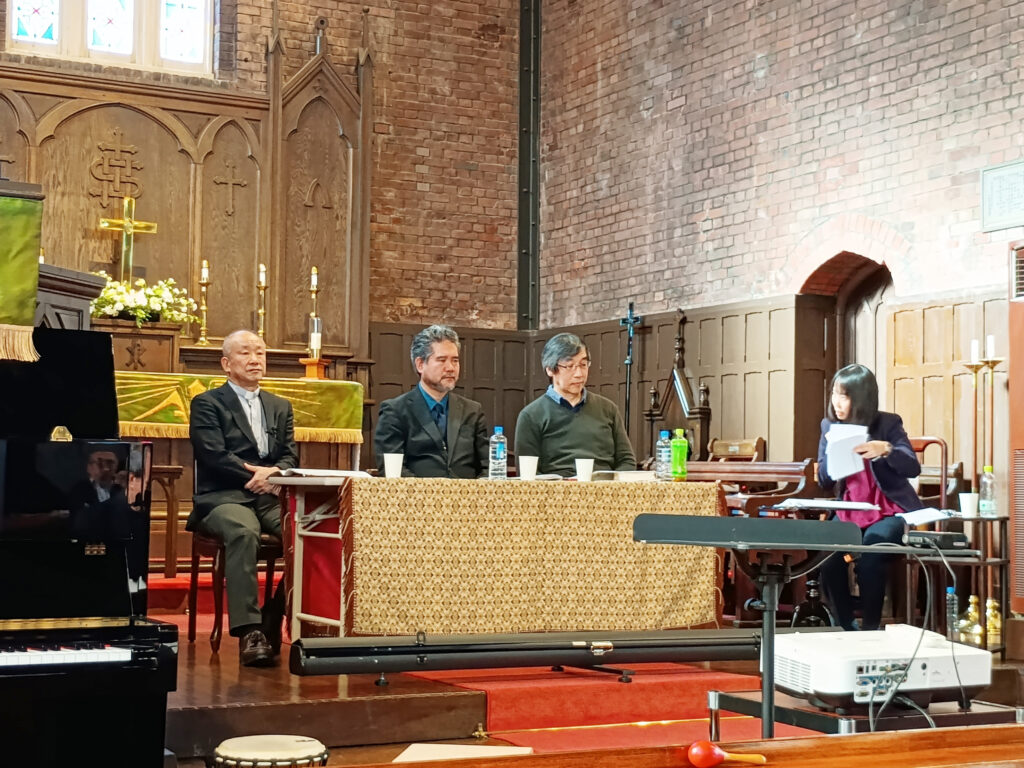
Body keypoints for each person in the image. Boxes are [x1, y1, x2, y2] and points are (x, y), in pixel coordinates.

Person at [188, 329, 299, 666]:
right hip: (222, 497)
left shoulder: (280, 406)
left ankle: (273, 615)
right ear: (226, 363)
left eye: (260, 353)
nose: (255, 360)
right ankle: (250, 632)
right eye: (245, 353)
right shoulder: (207, 403)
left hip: (269, 496)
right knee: (243, 530)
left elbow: (290, 456)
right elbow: (213, 455)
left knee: (307, 532)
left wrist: (274, 474)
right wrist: (258, 476)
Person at [817, 363, 923, 632]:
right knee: (827, 556)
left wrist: (886, 449)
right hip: (849, 509)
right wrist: (832, 455)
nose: (836, 402)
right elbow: (824, 482)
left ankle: (871, 629)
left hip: (888, 509)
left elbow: (912, 467)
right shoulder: (829, 425)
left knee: (871, 553)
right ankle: (846, 626)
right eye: (834, 394)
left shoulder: (888, 423)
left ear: (861, 398)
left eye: (844, 396)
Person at [374, 324, 489, 478]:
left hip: (468, 492)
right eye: (442, 360)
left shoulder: (472, 411)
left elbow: (488, 467)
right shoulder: (395, 411)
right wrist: (430, 491)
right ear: (420, 364)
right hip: (416, 492)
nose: (450, 368)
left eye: (455, 360)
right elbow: (393, 470)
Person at [515, 332, 635, 477]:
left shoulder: (608, 409)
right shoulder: (531, 415)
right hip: (556, 488)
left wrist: (610, 484)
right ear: (550, 369)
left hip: (604, 487)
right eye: (570, 366)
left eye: (583, 365)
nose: (579, 374)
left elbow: (626, 461)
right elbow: (528, 472)